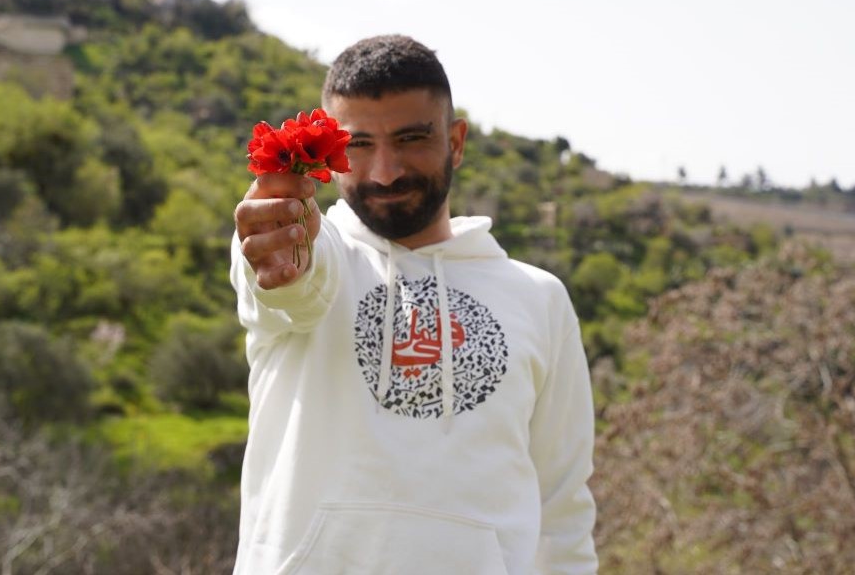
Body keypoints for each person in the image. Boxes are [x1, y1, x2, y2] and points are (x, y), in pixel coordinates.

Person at [230, 34, 597, 575]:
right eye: (358, 145)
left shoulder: (539, 300)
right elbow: (292, 292)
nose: (384, 171)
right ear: (330, 152)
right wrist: (282, 255)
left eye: (411, 139)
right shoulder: (310, 248)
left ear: (456, 141)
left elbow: (562, 507)